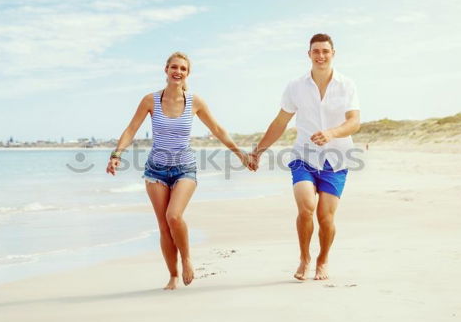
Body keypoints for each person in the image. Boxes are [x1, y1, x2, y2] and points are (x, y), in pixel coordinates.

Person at [106, 52, 252, 290]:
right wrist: (116, 155)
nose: (178, 72)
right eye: (174, 67)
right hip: (155, 170)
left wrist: (240, 153)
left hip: (185, 167)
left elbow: (217, 129)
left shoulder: (194, 102)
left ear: (187, 74)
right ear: (166, 70)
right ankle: (173, 276)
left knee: (174, 216)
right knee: (163, 225)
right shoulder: (150, 100)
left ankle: (186, 258)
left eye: (183, 69)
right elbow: (131, 129)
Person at [251, 34, 360, 281]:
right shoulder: (295, 86)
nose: (321, 56)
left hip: (337, 159)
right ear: (309, 54)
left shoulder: (347, 85)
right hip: (304, 156)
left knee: (326, 217)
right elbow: (280, 122)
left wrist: (332, 133)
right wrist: (258, 151)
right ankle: (304, 258)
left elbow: (355, 122)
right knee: (306, 208)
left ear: (333, 53)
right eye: (316, 51)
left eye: (325, 51)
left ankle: (323, 259)